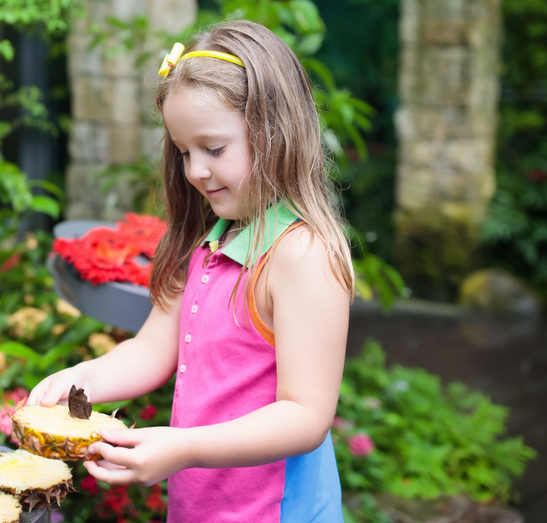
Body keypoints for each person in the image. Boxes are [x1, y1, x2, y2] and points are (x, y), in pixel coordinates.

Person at [28, 20, 354, 522]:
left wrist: (182, 448)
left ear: (275, 132)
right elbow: (151, 350)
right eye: (183, 151)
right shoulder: (209, 241)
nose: (195, 170)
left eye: (214, 149)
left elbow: (305, 416)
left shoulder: (301, 254)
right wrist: (77, 381)